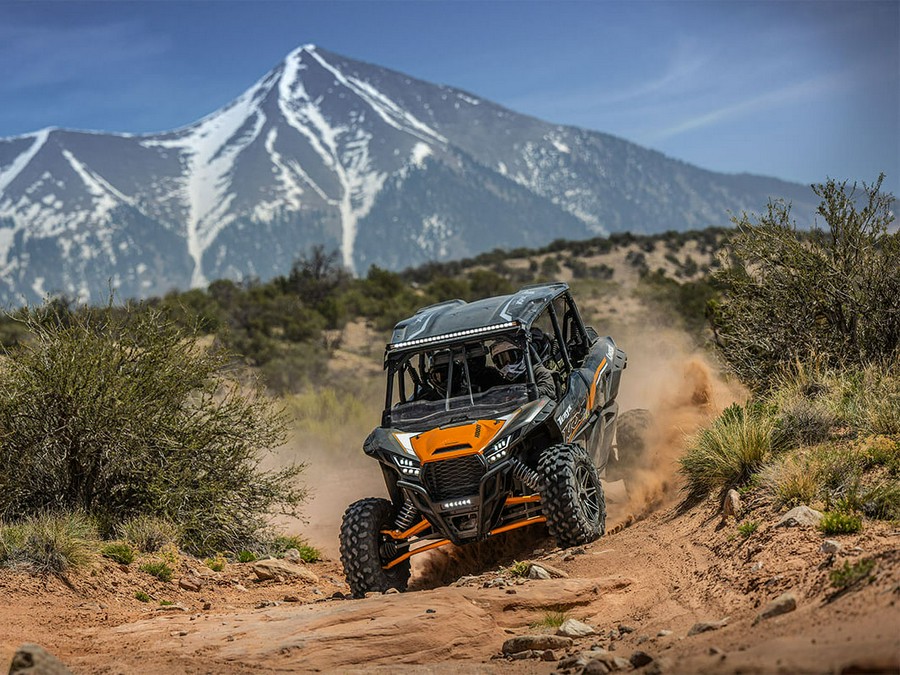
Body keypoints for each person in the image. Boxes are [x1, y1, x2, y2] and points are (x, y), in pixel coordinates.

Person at [489, 338, 556, 400]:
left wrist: (525, 393)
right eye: (502, 360)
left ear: (520, 355)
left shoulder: (537, 371)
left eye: (511, 357)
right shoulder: (498, 381)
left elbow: (548, 389)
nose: (508, 364)